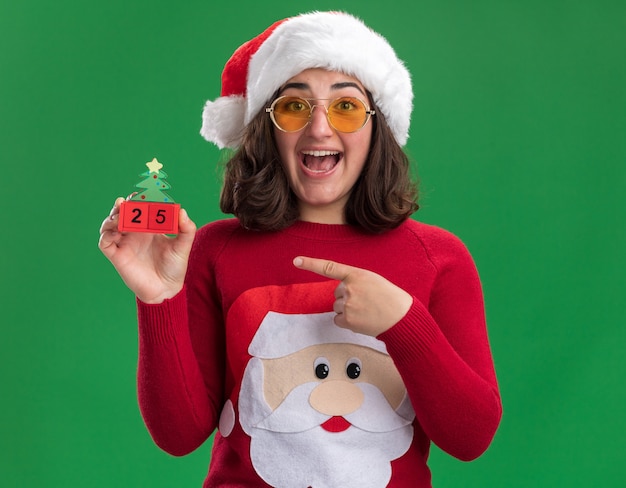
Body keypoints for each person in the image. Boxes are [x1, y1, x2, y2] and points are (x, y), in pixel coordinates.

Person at [99, 10, 502, 488]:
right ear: (267, 127)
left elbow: (470, 438)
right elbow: (178, 435)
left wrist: (405, 324)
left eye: (346, 107)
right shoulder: (215, 250)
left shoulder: (438, 257)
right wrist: (157, 298)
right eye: (294, 107)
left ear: (378, 126)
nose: (319, 129)